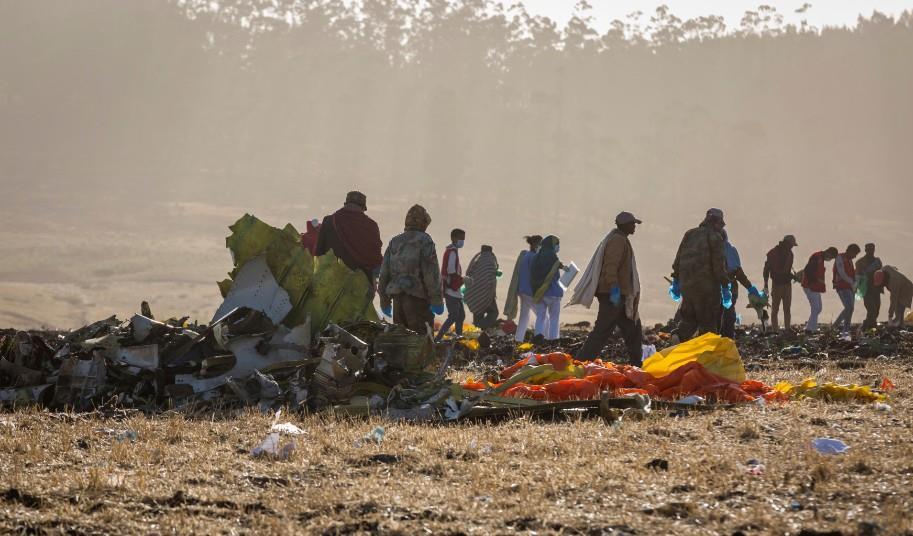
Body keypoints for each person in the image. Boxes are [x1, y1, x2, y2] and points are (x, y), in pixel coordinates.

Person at [573, 212, 644, 365]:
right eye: (632, 224)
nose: (634, 227)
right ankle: (579, 364)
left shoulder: (620, 239)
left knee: (633, 331)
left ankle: (637, 365)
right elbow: (610, 266)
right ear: (625, 225)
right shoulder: (618, 240)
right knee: (602, 332)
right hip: (613, 295)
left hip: (620, 295)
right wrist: (614, 288)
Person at [377, 205, 445, 332]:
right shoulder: (425, 241)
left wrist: (384, 302)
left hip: (397, 301)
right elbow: (431, 274)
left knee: (402, 341)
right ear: (423, 223)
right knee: (421, 342)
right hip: (418, 301)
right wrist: (437, 301)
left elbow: (384, 274)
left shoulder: (395, 242)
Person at [670, 208, 729, 341]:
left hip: (687, 287)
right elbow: (718, 267)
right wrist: (725, 287)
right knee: (708, 324)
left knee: (689, 320)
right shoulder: (715, 237)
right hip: (707, 289)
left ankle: (678, 336)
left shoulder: (689, 234)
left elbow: (678, 260)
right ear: (716, 223)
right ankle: (708, 356)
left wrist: (676, 281)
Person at [315, 191, 383, 286]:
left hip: (331, 283)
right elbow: (375, 259)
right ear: (363, 208)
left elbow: (318, 252)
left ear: (345, 204)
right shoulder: (371, 226)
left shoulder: (329, 221)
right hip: (360, 286)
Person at [720, 230, 761, 339]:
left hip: (717, 289)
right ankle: (726, 340)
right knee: (728, 316)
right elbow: (738, 272)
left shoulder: (710, 250)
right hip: (729, 289)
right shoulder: (731, 250)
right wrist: (750, 288)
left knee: (719, 317)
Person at [504, 235, 542, 343]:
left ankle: (518, 339)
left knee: (524, 316)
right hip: (529, 292)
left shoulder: (525, 255)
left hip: (522, 290)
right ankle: (542, 338)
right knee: (542, 315)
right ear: (535, 244)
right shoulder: (534, 257)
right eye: (541, 244)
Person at [530, 235, 564, 341]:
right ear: (552, 245)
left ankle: (538, 337)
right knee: (554, 318)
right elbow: (556, 275)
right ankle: (553, 339)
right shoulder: (552, 256)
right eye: (557, 244)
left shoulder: (536, 257)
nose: (558, 246)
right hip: (553, 292)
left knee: (540, 317)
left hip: (539, 292)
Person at [435, 229, 467, 341]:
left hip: (455, 290)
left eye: (463, 239)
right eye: (461, 239)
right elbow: (451, 271)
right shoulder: (452, 252)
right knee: (454, 315)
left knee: (461, 315)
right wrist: (462, 280)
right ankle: (438, 337)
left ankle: (458, 336)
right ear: (453, 238)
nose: (462, 241)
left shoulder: (452, 251)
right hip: (451, 289)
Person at [763, 235, 798, 333]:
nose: (792, 247)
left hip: (786, 284)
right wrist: (765, 283)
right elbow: (767, 269)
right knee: (776, 309)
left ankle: (785, 329)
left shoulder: (787, 254)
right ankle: (776, 330)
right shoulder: (774, 253)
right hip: (778, 285)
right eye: (791, 245)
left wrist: (794, 277)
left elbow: (784, 272)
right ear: (787, 243)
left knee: (785, 309)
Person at [800, 247, 839, 333]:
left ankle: (809, 327)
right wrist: (816, 281)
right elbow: (807, 270)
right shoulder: (816, 257)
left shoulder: (820, 258)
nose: (830, 259)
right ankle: (811, 329)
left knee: (818, 308)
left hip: (815, 287)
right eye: (831, 257)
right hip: (810, 286)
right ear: (828, 253)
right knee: (816, 307)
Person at [464, 245, 500, 329]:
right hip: (486, 294)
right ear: (491, 251)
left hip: (474, 293)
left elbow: (468, 274)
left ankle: (476, 332)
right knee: (494, 312)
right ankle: (479, 328)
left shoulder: (477, 260)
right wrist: (491, 294)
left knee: (478, 313)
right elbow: (491, 280)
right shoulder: (491, 261)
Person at [833, 243, 861, 333]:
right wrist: (852, 282)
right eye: (855, 254)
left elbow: (851, 274)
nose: (855, 256)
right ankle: (835, 325)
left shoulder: (850, 261)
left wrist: (855, 283)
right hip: (841, 286)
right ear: (850, 251)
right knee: (848, 307)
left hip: (850, 287)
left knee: (850, 309)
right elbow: (842, 273)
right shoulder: (839, 258)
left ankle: (846, 329)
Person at [855, 243, 883, 331]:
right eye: (869, 249)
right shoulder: (860, 262)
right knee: (872, 309)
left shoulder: (877, 261)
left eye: (872, 249)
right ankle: (870, 326)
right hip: (865, 289)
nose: (871, 251)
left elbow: (881, 274)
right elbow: (857, 276)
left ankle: (868, 325)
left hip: (876, 289)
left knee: (877, 309)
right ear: (866, 250)